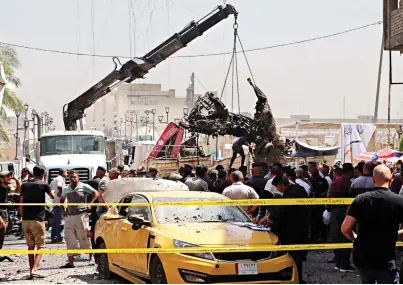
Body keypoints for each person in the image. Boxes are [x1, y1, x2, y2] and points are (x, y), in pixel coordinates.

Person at [342, 165, 403, 284]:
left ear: (373, 180)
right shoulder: (399, 201)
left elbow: (345, 228)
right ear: (390, 180)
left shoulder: (360, 199)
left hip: (362, 258)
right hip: (385, 260)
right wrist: (394, 236)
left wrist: (355, 238)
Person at [258, 175, 309, 283]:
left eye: (277, 187)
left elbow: (284, 211)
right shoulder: (299, 189)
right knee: (297, 257)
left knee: (292, 256)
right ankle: (298, 278)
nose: (277, 189)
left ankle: (294, 279)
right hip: (301, 228)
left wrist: (269, 217)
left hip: (292, 231)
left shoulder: (290, 194)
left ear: (281, 185)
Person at [19, 166, 54, 279]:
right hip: (38, 219)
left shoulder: (24, 185)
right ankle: (34, 270)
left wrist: (22, 216)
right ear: (43, 173)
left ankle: (31, 270)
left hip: (26, 220)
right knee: (41, 246)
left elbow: (21, 203)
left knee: (30, 246)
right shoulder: (43, 184)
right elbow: (52, 196)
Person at [60, 170, 99, 269]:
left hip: (81, 215)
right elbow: (61, 200)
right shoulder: (66, 189)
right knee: (69, 238)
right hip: (69, 216)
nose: (73, 179)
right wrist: (63, 210)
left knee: (84, 236)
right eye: (71, 177)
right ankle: (70, 262)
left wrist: (90, 203)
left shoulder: (83, 186)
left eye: (75, 177)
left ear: (78, 178)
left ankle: (91, 258)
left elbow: (96, 193)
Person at [328, 163, 354, 273]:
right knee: (347, 237)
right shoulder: (350, 183)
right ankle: (345, 264)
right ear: (350, 171)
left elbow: (329, 197)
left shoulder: (335, 183)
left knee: (336, 237)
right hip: (346, 213)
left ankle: (338, 263)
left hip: (335, 212)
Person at [308, 161, 329, 243]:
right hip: (312, 205)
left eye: (310, 167)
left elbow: (326, 191)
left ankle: (323, 237)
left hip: (320, 205)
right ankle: (314, 237)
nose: (309, 170)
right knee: (313, 222)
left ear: (314, 168)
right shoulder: (309, 180)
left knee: (321, 221)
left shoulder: (322, 180)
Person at [0, 171, 20, 250]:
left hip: (4, 212)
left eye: (10, 176)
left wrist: (16, 180)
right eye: (7, 176)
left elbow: (18, 191)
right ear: (1, 178)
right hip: (0, 213)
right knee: (2, 228)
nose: (10, 177)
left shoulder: (6, 188)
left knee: (4, 230)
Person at [49, 168, 67, 243]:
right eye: (66, 172)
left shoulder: (54, 179)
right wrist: (61, 192)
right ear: (63, 173)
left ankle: (54, 237)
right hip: (60, 203)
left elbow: (50, 189)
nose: (67, 174)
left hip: (55, 202)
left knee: (55, 221)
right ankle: (60, 237)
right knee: (61, 221)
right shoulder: (60, 179)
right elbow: (59, 186)